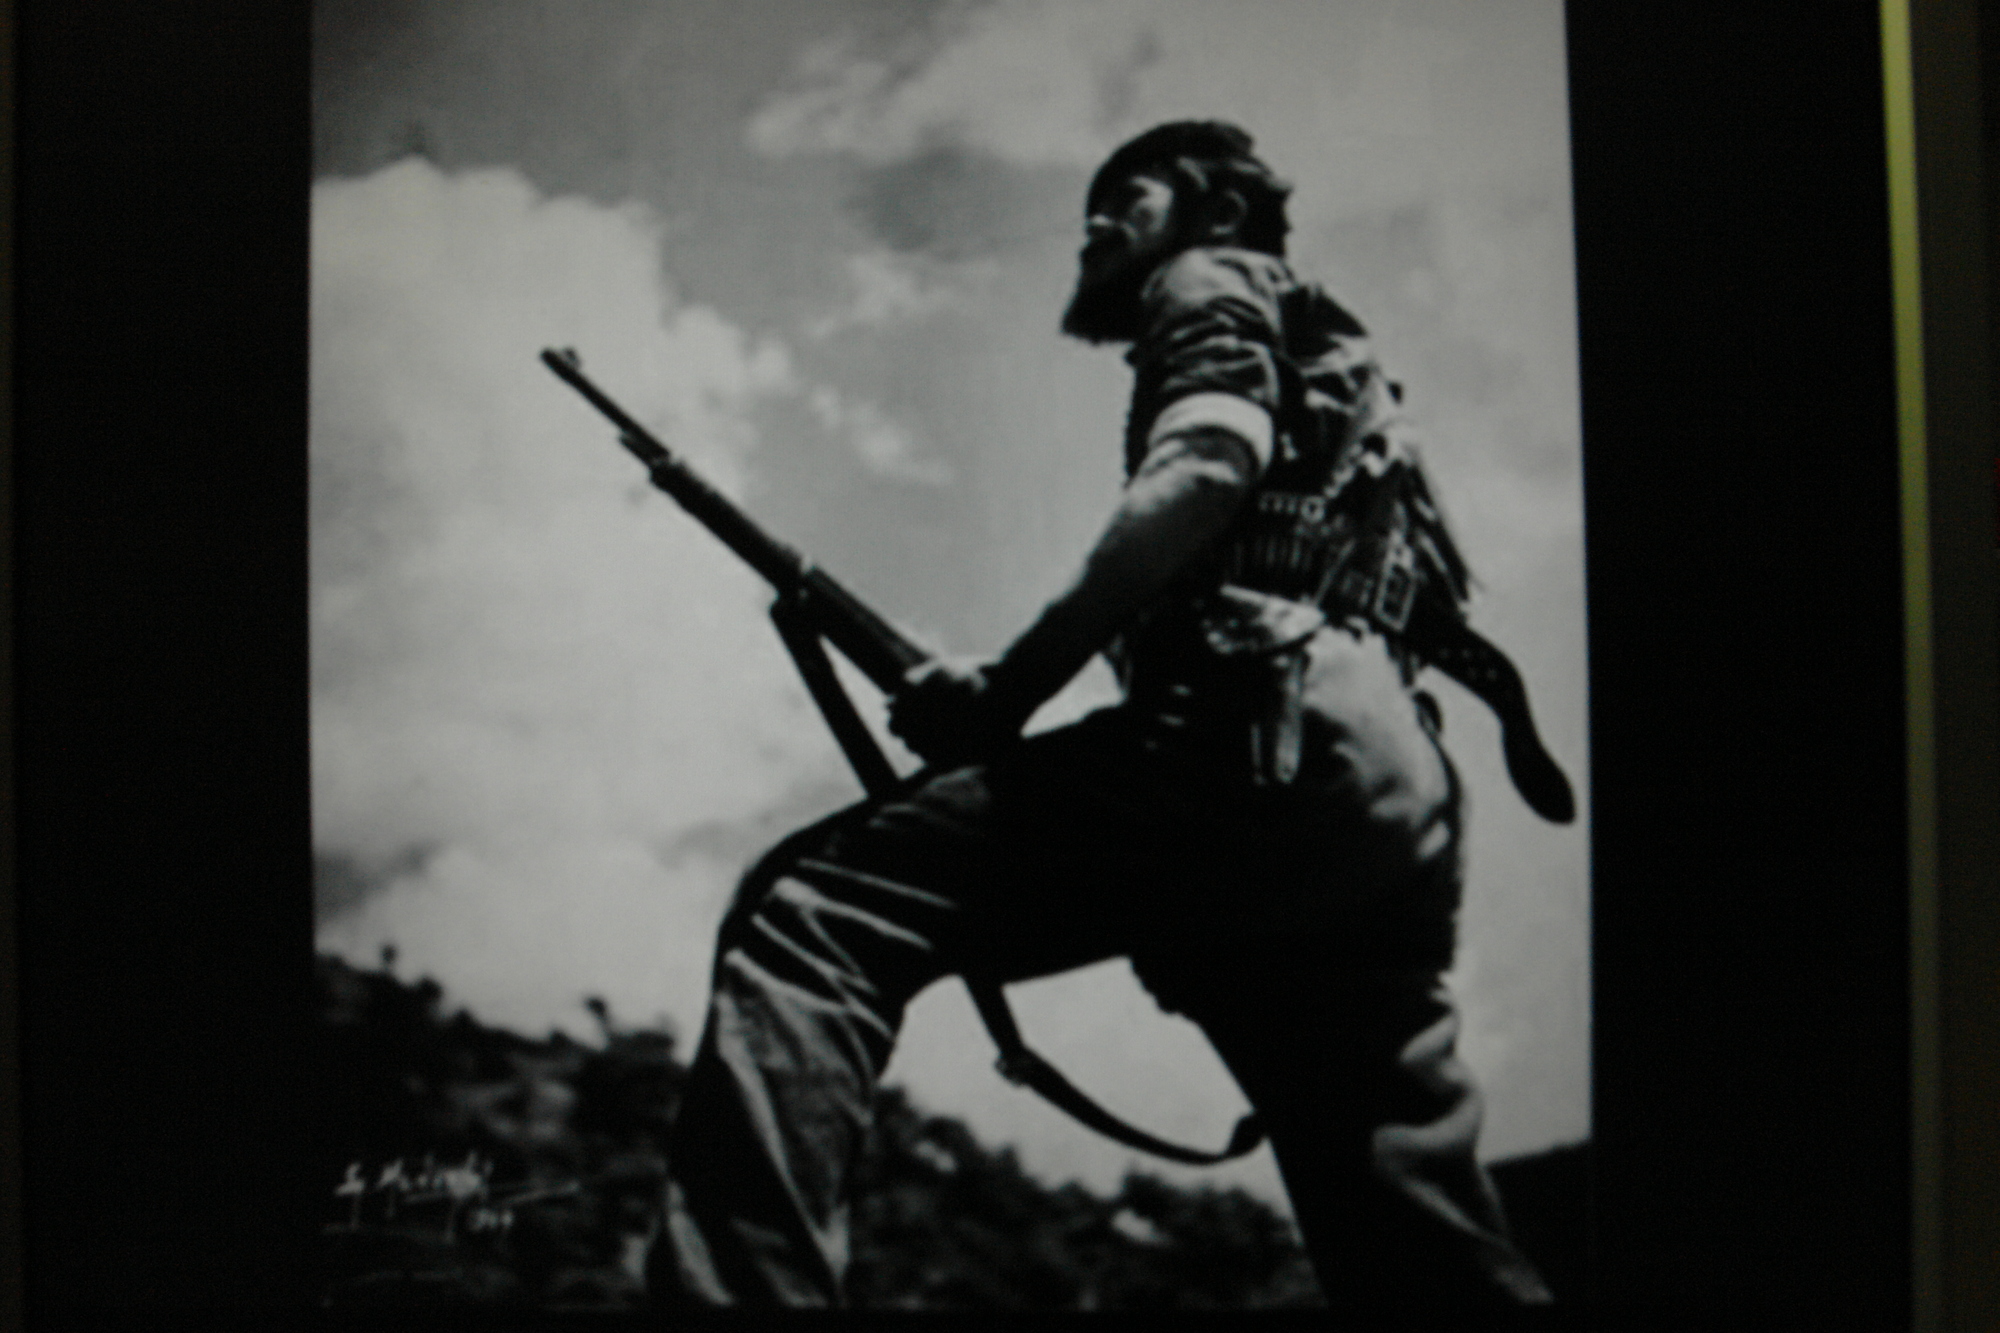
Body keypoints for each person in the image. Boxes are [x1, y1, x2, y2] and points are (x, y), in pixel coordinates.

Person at [646, 120, 1555, 1309]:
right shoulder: (1346, 372)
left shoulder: (1209, 275)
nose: (1092, 222)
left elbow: (1207, 464)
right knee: (1406, 1216)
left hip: (1265, 740)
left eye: (1129, 195)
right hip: (1386, 795)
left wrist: (1007, 688)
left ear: (1215, 213)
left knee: (810, 911)